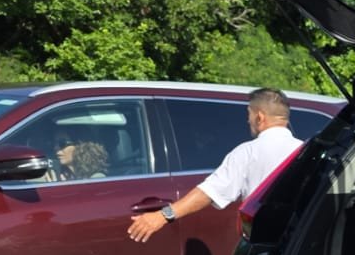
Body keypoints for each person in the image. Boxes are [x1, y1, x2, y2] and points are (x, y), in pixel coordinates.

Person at [127, 88, 301, 243]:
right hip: (300, 244)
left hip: (264, 244)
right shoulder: (306, 151)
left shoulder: (247, 152)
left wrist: (162, 216)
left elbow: (210, 192)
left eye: (249, 114)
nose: (248, 121)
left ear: (259, 117)